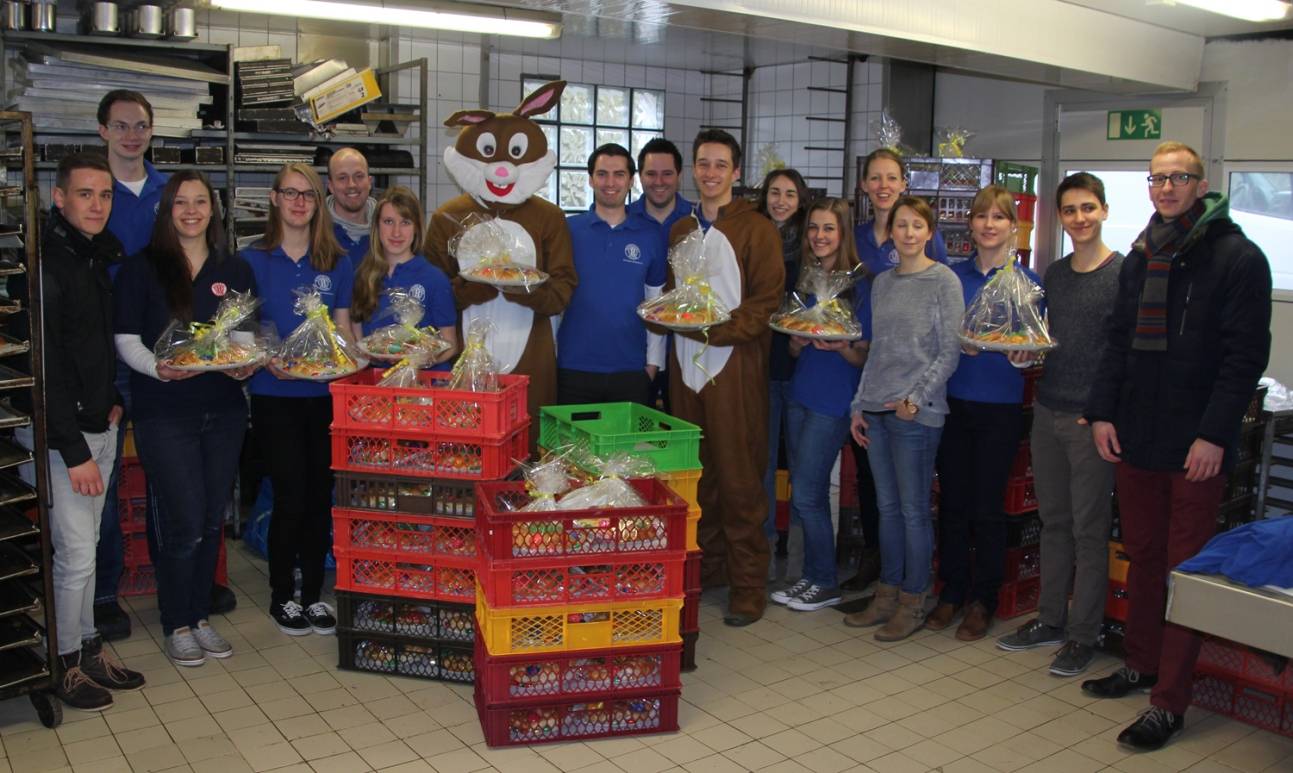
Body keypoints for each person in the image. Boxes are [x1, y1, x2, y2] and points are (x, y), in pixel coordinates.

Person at [1082, 142, 1271, 751]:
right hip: (1136, 434)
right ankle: (1141, 663)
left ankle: (1170, 701)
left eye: (1178, 178)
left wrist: (1215, 433)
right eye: (1157, 178)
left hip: (1196, 443)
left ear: (1201, 183)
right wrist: (1102, 414)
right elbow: (1117, 342)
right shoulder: (1141, 256)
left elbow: (1245, 358)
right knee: (1141, 555)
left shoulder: (1237, 257)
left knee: (1185, 572)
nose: (1166, 188)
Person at [16, 153, 145, 710]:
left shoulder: (92, 258)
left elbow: (90, 348)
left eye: (105, 195)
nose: (97, 205)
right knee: (75, 554)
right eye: (85, 194)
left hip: (98, 424)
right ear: (59, 199)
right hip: (62, 438)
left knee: (87, 547)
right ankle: (65, 662)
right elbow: (43, 368)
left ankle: (87, 646)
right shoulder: (46, 267)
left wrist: (113, 401)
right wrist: (72, 451)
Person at [113, 172, 256, 667]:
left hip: (222, 411)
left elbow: (245, 337)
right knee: (184, 522)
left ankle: (199, 617)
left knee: (211, 517)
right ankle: (176, 621)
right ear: (166, 209)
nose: (191, 210)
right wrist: (158, 368)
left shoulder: (232, 268)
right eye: (181, 202)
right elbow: (126, 338)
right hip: (164, 412)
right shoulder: (143, 268)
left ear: (213, 210)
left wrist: (243, 366)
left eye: (200, 201)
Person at [996, 173, 1122, 677]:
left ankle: (1082, 635)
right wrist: (1023, 355)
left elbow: (1122, 357)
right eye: (1069, 210)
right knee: (1054, 524)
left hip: (1091, 421)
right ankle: (1050, 619)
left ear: (1105, 211)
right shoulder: (1055, 274)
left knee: (1090, 532)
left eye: (1088, 208)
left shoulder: (1123, 275)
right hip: (1048, 412)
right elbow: (1046, 338)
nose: (1079, 219)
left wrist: (1104, 415)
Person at [661, 129, 783, 626]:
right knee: (697, 475)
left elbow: (766, 303)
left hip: (734, 369)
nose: (710, 173)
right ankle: (709, 567)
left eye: (720, 164)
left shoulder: (757, 230)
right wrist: (665, 318)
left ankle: (749, 584)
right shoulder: (680, 230)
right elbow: (672, 295)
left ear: (736, 172)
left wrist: (717, 330)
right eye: (702, 163)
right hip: (684, 365)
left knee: (738, 476)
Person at [426, 80, 576, 447]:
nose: (503, 168)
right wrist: (468, 290)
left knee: (529, 443)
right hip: (462, 353)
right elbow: (430, 295)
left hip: (533, 356)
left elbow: (563, 289)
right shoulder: (448, 217)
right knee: (465, 444)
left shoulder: (549, 218)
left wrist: (524, 290)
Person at [241, 163, 355, 637]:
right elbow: (243, 333)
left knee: (318, 496)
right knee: (289, 494)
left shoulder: (336, 261)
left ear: (317, 202)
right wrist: (267, 358)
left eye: (307, 194)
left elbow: (345, 330)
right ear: (274, 199)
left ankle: (312, 597)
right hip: (274, 394)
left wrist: (347, 360)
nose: (298, 202)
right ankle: (281, 595)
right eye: (289, 193)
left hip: (322, 395)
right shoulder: (252, 260)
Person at [843, 196, 962, 641]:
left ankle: (914, 600)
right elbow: (878, 351)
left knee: (913, 511)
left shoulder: (943, 281)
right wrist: (859, 405)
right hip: (876, 410)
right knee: (888, 510)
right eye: (901, 226)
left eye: (917, 226)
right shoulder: (883, 283)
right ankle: (886, 594)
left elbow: (948, 352)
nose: (909, 233)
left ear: (930, 232)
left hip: (916, 413)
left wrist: (914, 399)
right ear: (890, 232)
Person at [927, 185, 1041, 642]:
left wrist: (1024, 359)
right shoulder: (953, 279)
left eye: (999, 217)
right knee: (952, 501)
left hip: (1000, 405)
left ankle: (984, 599)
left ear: (1013, 227)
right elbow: (936, 337)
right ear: (969, 225)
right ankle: (952, 589)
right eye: (981, 216)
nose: (989, 224)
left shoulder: (1027, 284)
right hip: (954, 403)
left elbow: (1032, 345)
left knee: (988, 507)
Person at [92, 89, 169, 640]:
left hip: (169, 353)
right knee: (106, 478)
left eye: (140, 125)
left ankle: (180, 579)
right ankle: (102, 593)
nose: (131, 135)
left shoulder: (171, 193)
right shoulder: (92, 193)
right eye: (120, 126)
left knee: (172, 471)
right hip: (107, 354)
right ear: (102, 132)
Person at [771, 198, 868, 612]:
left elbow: (863, 355)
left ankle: (824, 580)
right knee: (801, 493)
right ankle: (810, 576)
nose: (820, 236)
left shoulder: (862, 284)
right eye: (814, 228)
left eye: (829, 228)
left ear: (843, 233)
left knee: (810, 494)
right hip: (801, 393)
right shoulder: (806, 279)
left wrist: (843, 347)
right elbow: (796, 346)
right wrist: (795, 343)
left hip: (834, 401)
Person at [557, 143, 666, 404]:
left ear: (631, 181)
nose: (610, 182)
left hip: (631, 370)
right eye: (602, 174)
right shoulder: (568, 230)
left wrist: (653, 365)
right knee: (573, 446)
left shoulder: (650, 235)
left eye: (619, 174)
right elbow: (554, 302)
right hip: (573, 367)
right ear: (591, 180)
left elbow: (658, 304)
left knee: (627, 447)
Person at [754, 168, 809, 561]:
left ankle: (800, 545)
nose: (781, 201)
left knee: (803, 464)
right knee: (764, 462)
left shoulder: (810, 246)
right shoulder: (753, 239)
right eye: (775, 192)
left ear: (801, 200)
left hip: (801, 367)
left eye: (790, 194)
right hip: (760, 366)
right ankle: (767, 539)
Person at [350, 186, 458, 367]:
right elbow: (357, 338)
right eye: (389, 222)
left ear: (417, 227)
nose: (396, 232)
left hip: (423, 386)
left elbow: (451, 345)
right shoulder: (363, 275)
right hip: (376, 386)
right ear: (376, 226)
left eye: (405, 222)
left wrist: (422, 362)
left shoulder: (434, 279)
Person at [630, 138, 693, 410]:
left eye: (667, 173)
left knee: (678, 431)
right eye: (651, 174)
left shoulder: (695, 220)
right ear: (639, 177)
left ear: (679, 176)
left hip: (684, 349)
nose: (659, 181)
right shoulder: (624, 218)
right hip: (635, 349)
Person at [327, 147, 376, 264]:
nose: (351, 184)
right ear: (331, 186)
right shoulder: (315, 229)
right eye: (342, 178)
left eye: (359, 176)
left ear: (369, 182)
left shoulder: (387, 227)